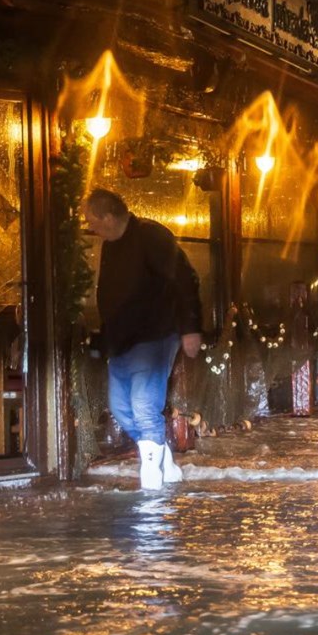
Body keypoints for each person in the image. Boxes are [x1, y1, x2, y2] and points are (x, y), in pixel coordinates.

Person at [83, 188, 204, 489]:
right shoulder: (111, 244)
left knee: (143, 404)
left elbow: (185, 278)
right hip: (122, 339)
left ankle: (151, 478)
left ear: (108, 217)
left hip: (155, 333)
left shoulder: (152, 237)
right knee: (121, 406)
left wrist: (190, 327)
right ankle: (163, 460)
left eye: (91, 220)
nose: (90, 227)